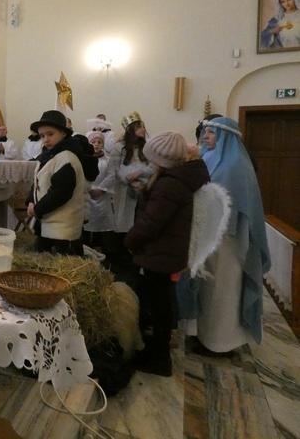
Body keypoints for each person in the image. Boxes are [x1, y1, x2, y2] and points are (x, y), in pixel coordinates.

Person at [182, 117, 272, 356]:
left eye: (210, 133)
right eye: (206, 132)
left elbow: (230, 210)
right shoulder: (210, 157)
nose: (205, 137)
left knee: (223, 290)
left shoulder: (235, 166)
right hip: (208, 238)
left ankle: (221, 342)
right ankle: (203, 334)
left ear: (225, 137)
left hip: (229, 241)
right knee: (206, 289)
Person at [124, 132, 210, 377]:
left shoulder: (170, 183)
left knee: (159, 305)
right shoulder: (175, 178)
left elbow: (153, 221)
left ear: (162, 160)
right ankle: (152, 349)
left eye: (151, 158)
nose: (149, 162)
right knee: (155, 300)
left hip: (160, 251)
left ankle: (160, 360)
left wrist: (130, 241)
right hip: (165, 250)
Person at [95, 112, 152, 287]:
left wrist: (141, 176)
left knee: (138, 222)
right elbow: (115, 168)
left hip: (143, 189)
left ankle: (134, 261)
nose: (143, 129)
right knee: (122, 222)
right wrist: (129, 180)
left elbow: (152, 166)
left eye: (143, 126)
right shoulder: (120, 147)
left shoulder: (147, 147)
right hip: (124, 191)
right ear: (131, 129)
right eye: (140, 126)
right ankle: (119, 262)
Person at [26, 110, 86, 257]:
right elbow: (38, 182)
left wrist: (37, 209)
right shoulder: (50, 157)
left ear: (63, 133)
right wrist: (30, 202)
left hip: (63, 231)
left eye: (50, 134)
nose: (46, 140)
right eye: (42, 136)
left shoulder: (66, 158)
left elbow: (60, 192)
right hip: (49, 226)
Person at [83, 132, 113, 249]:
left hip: (102, 195)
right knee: (86, 223)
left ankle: (99, 247)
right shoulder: (85, 160)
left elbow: (111, 176)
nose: (96, 145)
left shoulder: (108, 160)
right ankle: (85, 248)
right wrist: (90, 190)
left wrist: (101, 188)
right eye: (93, 142)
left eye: (99, 142)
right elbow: (83, 176)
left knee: (100, 225)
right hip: (88, 195)